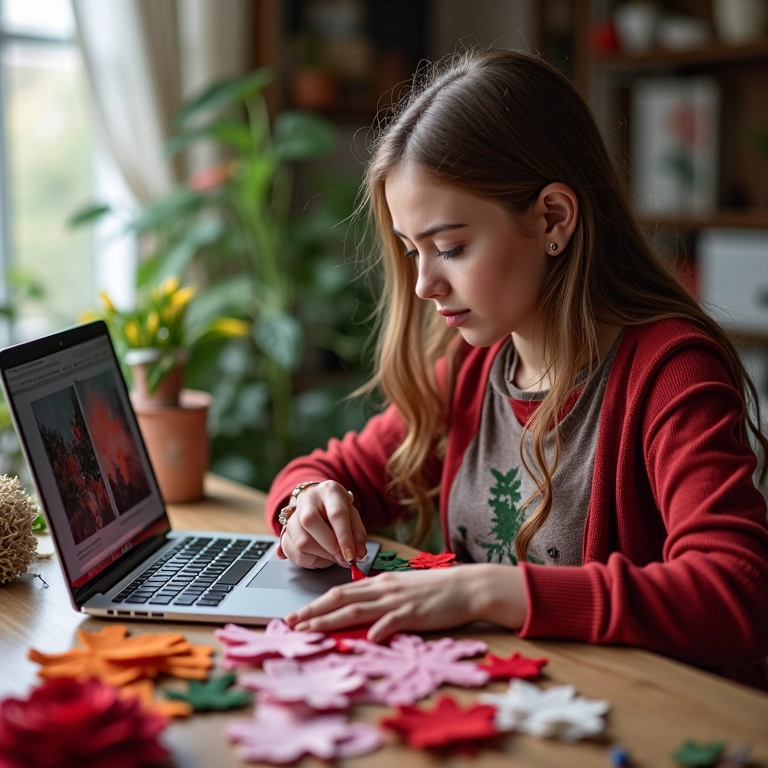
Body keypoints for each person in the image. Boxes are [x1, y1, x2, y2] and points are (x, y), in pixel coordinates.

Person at [265, 48, 768, 690]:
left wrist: (489, 592)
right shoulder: (471, 366)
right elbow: (327, 472)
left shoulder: (670, 372)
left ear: (552, 218)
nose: (423, 284)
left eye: (450, 247)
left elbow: (737, 594)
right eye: (412, 249)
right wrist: (304, 505)